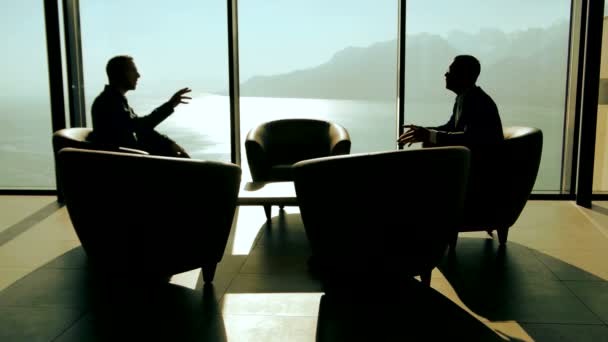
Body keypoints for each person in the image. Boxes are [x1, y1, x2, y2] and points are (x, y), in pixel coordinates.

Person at [398, 55, 504, 227]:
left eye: (450, 71)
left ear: (464, 75)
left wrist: (430, 135)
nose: (445, 75)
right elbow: (451, 127)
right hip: (469, 165)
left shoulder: (477, 101)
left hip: (478, 173)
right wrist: (425, 131)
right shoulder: (465, 97)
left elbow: (470, 138)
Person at [91, 55, 192, 158]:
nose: (138, 75)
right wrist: (170, 105)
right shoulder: (109, 103)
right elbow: (140, 127)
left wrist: (170, 144)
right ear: (120, 74)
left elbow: (142, 130)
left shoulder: (114, 101)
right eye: (133, 71)